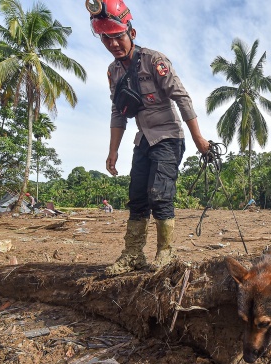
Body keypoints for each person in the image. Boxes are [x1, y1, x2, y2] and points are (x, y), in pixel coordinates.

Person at [87, 0, 210, 276]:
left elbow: (182, 98)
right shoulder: (113, 71)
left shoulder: (155, 61)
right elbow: (118, 112)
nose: (113, 44)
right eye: (107, 38)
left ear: (131, 32)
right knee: (137, 196)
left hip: (168, 136)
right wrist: (113, 151)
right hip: (143, 139)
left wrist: (199, 139)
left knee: (160, 194)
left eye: (118, 36)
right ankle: (133, 255)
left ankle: (166, 252)